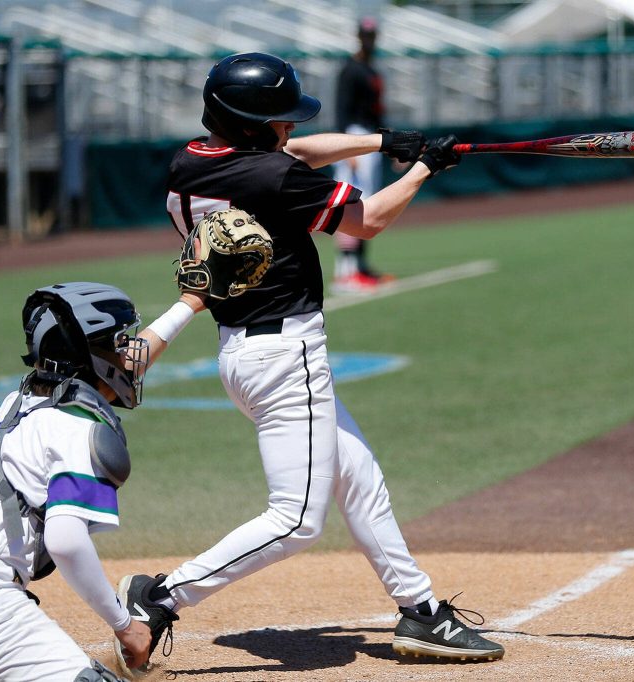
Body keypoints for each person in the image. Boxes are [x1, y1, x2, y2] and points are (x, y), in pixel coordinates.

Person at [114, 52, 503, 677]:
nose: (290, 128)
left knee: (359, 476)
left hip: (245, 354)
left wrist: (385, 141)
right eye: (279, 120)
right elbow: (368, 221)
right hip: (285, 355)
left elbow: (292, 155)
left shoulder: (193, 160)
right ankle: (161, 596)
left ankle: (420, 608)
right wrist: (425, 167)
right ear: (252, 127)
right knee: (296, 520)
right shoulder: (273, 180)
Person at [0, 281, 206, 681]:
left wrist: (189, 305)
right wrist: (125, 625)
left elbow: (109, 367)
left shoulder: (15, 406)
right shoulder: (79, 428)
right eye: (121, 341)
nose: (129, 351)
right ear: (91, 355)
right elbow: (65, 542)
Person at [331, 17, 393, 293]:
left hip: (370, 137)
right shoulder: (351, 69)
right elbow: (341, 110)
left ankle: (361, 267)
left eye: (372, 35)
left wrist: (389, 143)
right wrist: (346, 146)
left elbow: (377, 110)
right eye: (366, 36)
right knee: (350, 203)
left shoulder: (371, 69)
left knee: (367, 204)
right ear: (359, 37)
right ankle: (346, 271)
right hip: (354, 136)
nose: (369, 40)